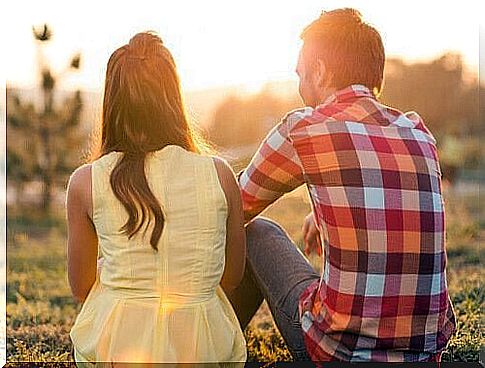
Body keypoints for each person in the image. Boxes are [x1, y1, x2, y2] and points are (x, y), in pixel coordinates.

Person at [229, 8, 456, 363]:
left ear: (319, 70)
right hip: (424, 355)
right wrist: (319, 214)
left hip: (340, 354)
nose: (300, 85)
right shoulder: (417, 131)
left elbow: (236, 204)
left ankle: (215, 345)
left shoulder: (305, 129)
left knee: (257, 232)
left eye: (301, 74)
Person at [66, 32, 247, 365]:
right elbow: (232, 276)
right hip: (201, 349)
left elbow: (81, 289)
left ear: (112, 102)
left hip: (117, 348)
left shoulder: (85, 182)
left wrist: (115, 266)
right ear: (174, 98)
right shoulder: (220, 175)